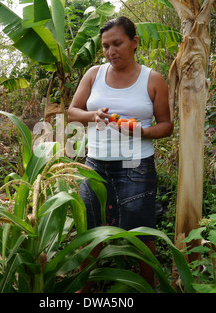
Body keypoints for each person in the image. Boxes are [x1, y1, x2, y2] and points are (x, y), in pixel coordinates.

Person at [67, 16, 173, 291]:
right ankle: (85, 288)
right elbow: (71, 112)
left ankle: (147, 287)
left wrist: (142, 132)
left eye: (117, 43)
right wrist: (94, 115)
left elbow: (166, 125)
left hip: (136, 165)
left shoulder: (153, 79)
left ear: (134, 42)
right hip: (94, 164)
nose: (110, 51)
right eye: (105, 46)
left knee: (141, 234)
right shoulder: (94, 74)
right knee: (90, 231)